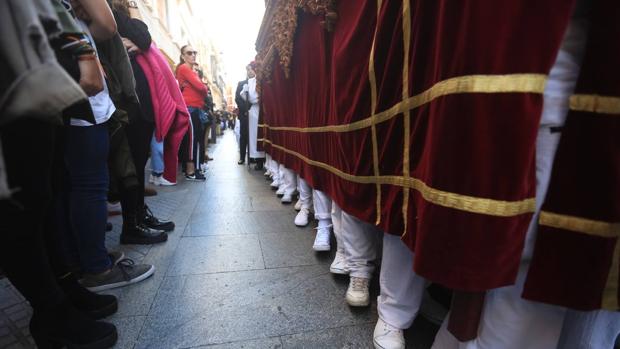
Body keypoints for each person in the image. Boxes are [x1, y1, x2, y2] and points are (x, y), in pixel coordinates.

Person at [176, 44, 209, 181]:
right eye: (189, 53)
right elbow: (202, 88)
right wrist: (201, 86)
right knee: (193, 140)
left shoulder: (192, 71)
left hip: (195, 108)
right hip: (191, 107)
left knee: (194, 139)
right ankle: (192, 171)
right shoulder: (184, 68)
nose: (193, 55)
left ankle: (191, 169)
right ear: (183, 56)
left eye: (194, 52)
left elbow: (202, 89)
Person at [240, 62, 265, 170]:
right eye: (248, 69)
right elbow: (244, 96)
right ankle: (258, 160)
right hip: (254, 109)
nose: (250, 71)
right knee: (255, 135)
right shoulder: (249, 82)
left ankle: (265, 160)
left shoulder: (261, 79)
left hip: (263, 108)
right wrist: (245, 93)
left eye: (251, 69)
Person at [235, 71, 250, 165]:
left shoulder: (258, 82)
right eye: (249, 70)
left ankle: (255, 158)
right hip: (244, 114)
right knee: (243, 136)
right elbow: (237, 98)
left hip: (254, 113)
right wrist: (245, 109)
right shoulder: (241, 83)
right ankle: (242, 157)